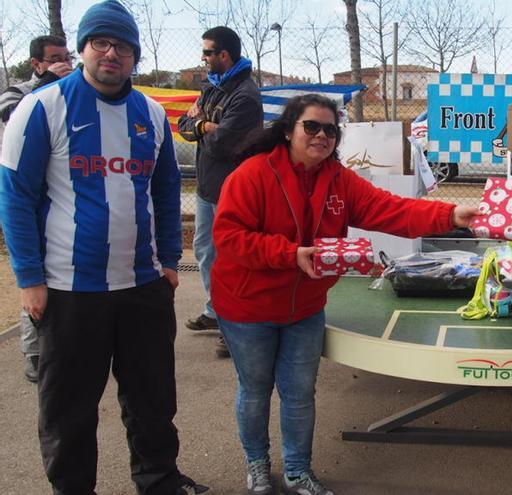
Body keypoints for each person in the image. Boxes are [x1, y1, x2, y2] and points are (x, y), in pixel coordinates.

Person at [212, 93, 479, 495]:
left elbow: (391, 209)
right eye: (312, 127)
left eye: (331, 130)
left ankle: (298, 471)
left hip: (304, 307)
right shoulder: (252, 175)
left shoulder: (339, 179)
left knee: (299, 392)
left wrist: (448, 215)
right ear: (288, 131)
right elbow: (229, 238)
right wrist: (289, 254)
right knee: (255, 390)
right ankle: (258, 467)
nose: (322, 135)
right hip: (247, 306)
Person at [0, 2, 208, 494]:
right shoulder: (41, 107)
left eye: (122, 46)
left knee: (153, 398)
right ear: (83, 49)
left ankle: (159, 480)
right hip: (70, 289)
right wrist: (29, 279)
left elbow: (163, 189)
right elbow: (15, 197)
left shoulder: (151, 114)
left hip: (142, 285)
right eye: (101, 43)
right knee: (68, 407)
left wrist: (169, 263)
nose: (111, 53)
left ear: (134, 55)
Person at [178, 26, 263, 358]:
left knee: (232, 260)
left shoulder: (245, 95)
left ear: (224, 55)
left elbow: (223, 144)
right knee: (205, 251)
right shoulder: (212, 89)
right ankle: (218, 312)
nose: (203, 58)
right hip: (206, 188)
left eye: (208, 52)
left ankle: (236, 326)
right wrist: (203, 126)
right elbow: (185, 126)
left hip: (231, 191)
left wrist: (204, 127)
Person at [0, 35, 73, 384]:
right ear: (36, 63)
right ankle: (34, 353)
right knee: (35, 281)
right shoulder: (19, 92)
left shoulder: (71, 94)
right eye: (54, 58)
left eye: (66, 56)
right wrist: (48, 83)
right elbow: (11, 116)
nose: (63, 62)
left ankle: (64, 349)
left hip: (63, 205)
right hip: (30, 202)